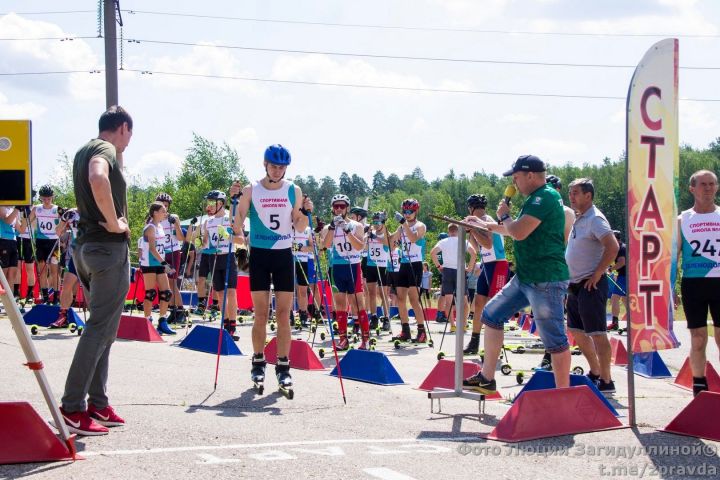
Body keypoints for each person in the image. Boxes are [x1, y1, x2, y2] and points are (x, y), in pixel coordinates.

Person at [463, 154, 570, 394]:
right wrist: (484, 225)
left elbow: (518, 231)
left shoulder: (545, 197)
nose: (514, 182)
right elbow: (514, 230)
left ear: (531, 175)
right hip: (525, 276)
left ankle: (564, 395)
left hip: (546, 279)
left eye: (516, 177)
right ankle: (486, 378)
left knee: (554, 339)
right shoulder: (534, 199)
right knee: (491, 315)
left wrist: (503, 214)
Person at [56, 105, 133, 436]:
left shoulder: (82, 149)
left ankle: (97, 403)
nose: (128, 142)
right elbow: (98, 176)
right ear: (122, 128)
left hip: (86, 250)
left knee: (104, 330)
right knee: (100, 329)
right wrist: (116, 223)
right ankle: (72, 407)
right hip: (106, 248)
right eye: (129, 135)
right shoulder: (104, 149)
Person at [230, 144, 313, 390]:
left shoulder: (293, 190)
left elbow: (298, 226)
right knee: (261, 313)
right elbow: (237, 226)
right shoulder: (251, 189)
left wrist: (306, 213)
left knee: (284, 314)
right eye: (273, 166)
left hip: (283, 256)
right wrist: (234, 201)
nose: (277, 171)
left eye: (281, 167)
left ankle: (283, 366)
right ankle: (258, 361)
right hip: (260, 257)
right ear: (265, 165)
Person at [565, 178, 619, 393]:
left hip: (591, 285)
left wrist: (598, 273)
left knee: (597, 333)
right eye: (570, 193)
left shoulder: (595, 219)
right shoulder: (580, 219)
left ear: (588, 195)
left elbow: (612, 247)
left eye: (576, 193)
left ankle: (607, 380)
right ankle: (595, 371)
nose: (572, 197)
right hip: (575, 286)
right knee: (576, 331)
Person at [676, 170, 720, 397]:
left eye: (712, 184)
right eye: (703, 184)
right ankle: (699, 384)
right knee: (699, 337)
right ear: (692, 189)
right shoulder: (682, 219)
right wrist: (671, 288)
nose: (708, 188)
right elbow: (674, 257)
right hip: (694, 283)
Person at [322, 194, 371, 350]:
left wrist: (347, 230)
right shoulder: (328, 227)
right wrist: (331, 227)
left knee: (357, 304)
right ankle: (343, 339)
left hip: (353, 266)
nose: (338, 209)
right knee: (340, 304)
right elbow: (326, 245)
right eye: (336, 206)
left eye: (342, 206)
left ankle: (365, 339)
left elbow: (359, 247)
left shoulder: (357, 225)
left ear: (347, 208)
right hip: (337, 267)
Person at [463, 194, 509, 355]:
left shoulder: (486, 218)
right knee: (479, 303)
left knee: (494, 306)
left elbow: (488, 243)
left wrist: (473, 229)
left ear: (471, 208)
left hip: (498, 264)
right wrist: (470, 231)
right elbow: (477, 247)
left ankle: (496, 348)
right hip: (487, 264)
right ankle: (474, 341)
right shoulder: (477, 220)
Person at [193, 190, 242, 338]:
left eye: (212, 202)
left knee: (231, 292)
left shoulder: (230, 218)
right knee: (219, 293)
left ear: (220, 204)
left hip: (228, 257)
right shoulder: (209, 221)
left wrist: (228, 235)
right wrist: (198, 241)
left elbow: (241, 240)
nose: (209, 206)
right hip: (214, 258)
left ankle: (233, 324)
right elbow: (205, 242)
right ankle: (225, 322)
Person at [389, 198, 429, 343]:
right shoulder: (401, 227)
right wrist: (382, 228)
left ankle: (421, 331)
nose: (407, 214)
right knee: (400, 299)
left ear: (416, 211)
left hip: (415, 263)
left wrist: (403, 225)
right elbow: (391, 243)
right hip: (404, 263)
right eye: (404, 211)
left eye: (410, 212)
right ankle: (405, 330)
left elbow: (413, 238)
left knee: (413, 299)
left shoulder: (420, 225)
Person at [139, 202, 177, 335]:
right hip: (149, 263)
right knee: (150, 293)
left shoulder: (160, 226)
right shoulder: (150, 228)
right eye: (163, 211)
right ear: (155, 212)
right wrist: (165, 264)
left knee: (166, 293)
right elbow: (152, 249)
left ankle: (162, 321)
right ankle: (147, 321)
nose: (165, 213)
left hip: (159, 263)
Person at [431, 224, 476, 332]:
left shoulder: (443, 241)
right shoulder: (463, 241)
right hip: (460, 270)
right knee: (464, 300)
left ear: (449, 231)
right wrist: (469, 267)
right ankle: (464, 324)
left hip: (447, 271)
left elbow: (433, 253)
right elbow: (473, 253)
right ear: (458, 231)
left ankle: (452, 325)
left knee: (448, 300)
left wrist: (438, 266)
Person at [155, 193, 186, 324]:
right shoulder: (154, 218)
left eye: (166, 206)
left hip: (173, 252)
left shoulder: (173, 218)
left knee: (172, 283)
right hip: (160, 253)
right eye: (162, 206)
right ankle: (173, 310)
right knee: (163, 283)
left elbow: (180, 238)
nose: (164, 208)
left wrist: (176, 225)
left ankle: (180, 310)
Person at [29, 185, 61, 304]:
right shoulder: (36, 209)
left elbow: (66, 220)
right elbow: (27, 221)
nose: (47, 201)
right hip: (41, 241)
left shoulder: (57, 209)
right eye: (44, 198)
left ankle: (56, 298)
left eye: (49, 198)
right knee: (42, 269)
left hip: (53, 242)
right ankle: (46, 297)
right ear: (41, 198)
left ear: (52, 197)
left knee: (54, 271)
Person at [50, 208, 81, 328]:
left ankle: (96, 321)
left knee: (91, 288)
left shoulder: (95, 209)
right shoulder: (72, 213)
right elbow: (58, 232)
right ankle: (63, 316)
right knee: (66, 285)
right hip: (76, 255)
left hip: (92, 255)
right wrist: (63, 219)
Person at [365, 211, 391, 331]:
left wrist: (375, 237)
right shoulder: (371, 232)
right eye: (374, 222)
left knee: (383, 294)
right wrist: (366, 234)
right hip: (371, 264)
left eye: (378, 222)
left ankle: (386, 318)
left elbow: (387, 243)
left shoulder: (386, 233)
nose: (375, 224)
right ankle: (374, 317)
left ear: (383, 222)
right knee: (371, 293)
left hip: (382, 265)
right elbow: (364, 246)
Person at [292, 224, 314, 328]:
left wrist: (300, 248)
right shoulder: (289, 226)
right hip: (290, 261)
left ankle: (303, 315)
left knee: (303, 290)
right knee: (288, 290)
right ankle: (289, 314)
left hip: (303, 260)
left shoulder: (307, 229)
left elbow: (312, 248)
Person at [608, 230, 627, 331]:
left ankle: (615, 323)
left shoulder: (621, 248)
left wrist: (610, 269)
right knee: (625, 299)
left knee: (614, 298)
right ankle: (632, 322)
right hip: (624, 275)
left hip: (625, 276)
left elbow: (622, 262)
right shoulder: (621, 247)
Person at [0, 206, 20, 298]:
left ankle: (11, 300)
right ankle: (2, 300)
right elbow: (7, 221)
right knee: (3, 274)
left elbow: (21, 229)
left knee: (12, 274)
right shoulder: (2, 207)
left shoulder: (14, 210)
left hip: (13, 242)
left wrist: (26, 216)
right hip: (3, 241)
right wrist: (17, 209)